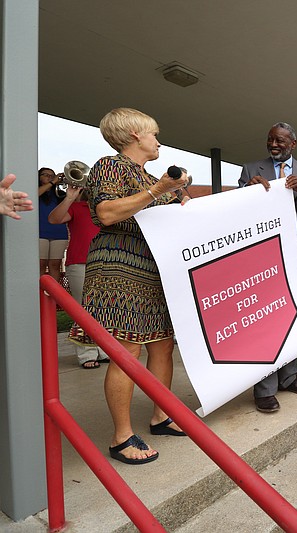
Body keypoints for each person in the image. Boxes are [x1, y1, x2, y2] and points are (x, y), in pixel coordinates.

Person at [68, 107, 190, 464]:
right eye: (154, 134)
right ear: (135, 134)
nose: (158, 140)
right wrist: (160, 190)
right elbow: (105, 213)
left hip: (152, 271)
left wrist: (179, 200)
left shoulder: (148, 176)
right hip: (118, 270)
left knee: (163, 346)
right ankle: (121, 437)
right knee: (127, 351)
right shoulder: (110, 165)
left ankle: (161, 415)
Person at [239, 121, 297, 414]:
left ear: (293, 144)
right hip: (265, 256)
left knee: (295, 316)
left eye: (280, 141)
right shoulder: (251, 169)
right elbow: (236, 207)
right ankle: (264, 388)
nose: (274, 145)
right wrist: (247, 191)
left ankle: (290, 377)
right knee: (266, 320)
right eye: (270, 140)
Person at [48, 184, 110, 368]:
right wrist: (69, 197)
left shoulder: (108, 209)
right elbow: (54, 219)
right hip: (80, 262)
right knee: (83, 308)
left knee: (105, 309)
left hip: (105, 263)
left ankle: (103, 350)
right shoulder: (76, 207)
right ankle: (87, 353)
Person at [37, 167, 69, 283]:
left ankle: (53, 297)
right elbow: (34, 195)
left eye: (52, 175)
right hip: (40, 232)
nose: (49, 177)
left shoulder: (60, 194)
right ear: (38, 178)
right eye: (45, 175)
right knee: (40, 264)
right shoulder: (36, 190)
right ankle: (39, 296)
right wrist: (53, 181)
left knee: (55, 265)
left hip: (59, 232)